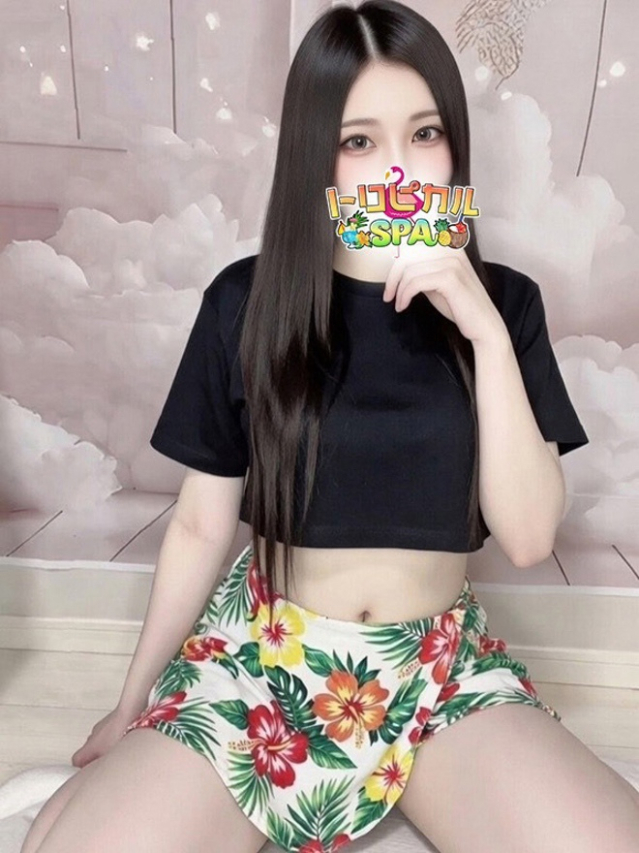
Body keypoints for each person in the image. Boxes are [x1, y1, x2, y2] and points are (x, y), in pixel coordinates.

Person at [21, 2, 639, 853]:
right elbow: (200, 524)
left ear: (455, 143)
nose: (398, 167)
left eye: (424, 133)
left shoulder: (509, 303)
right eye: (359, 141)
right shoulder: (245, 300)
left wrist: (486, 334)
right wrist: (133, 701)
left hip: (434, 671)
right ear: (317, 154)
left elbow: (530, 538)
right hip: (264, 660)